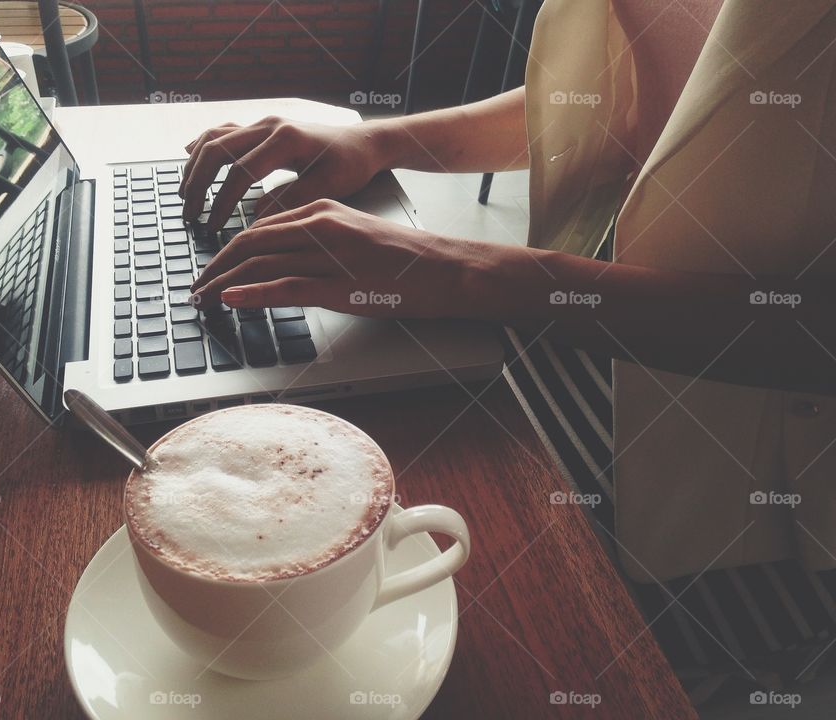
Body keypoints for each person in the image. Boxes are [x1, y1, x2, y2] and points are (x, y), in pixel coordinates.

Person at [179, 0, 836, 582]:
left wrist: (463, 272)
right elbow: (611, 102)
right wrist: (380, 139)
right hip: (574, 327)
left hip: (753, 499)